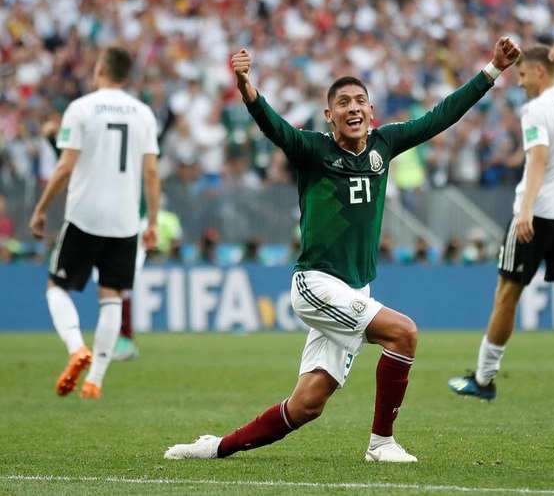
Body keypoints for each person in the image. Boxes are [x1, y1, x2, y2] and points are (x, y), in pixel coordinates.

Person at [164, 37, 521, 462]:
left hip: (355, 290)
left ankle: (215, 448)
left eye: (360, 101)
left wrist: (493, 69)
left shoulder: (384, 146)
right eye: (344, 103)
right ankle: (381, 444)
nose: (353, 108)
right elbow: (272, 125)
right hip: (316, 284)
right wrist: (245, 86)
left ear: (371, 112)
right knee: (404, 333)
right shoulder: (314, 150)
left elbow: (441, 116)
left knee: (307, 405)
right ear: (329, 115)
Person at [448, 38, 554, 408]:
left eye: (524, 73)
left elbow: (538, 161)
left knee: (506, 294)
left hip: (538, 215)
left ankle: (483, 379)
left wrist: (526, 210)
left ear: (541, 72)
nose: (519, 81)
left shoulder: (535, 110)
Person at [29, 46, 160, 399]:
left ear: (100, 68)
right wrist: (153, 223)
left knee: (57, 287)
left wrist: (41, 208)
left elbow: (65, 166)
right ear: (127, 75)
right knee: (112, 297)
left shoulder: (81, 108)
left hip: (85, 215)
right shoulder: (143, 114)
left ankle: (76, 348)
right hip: (125, 220)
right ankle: (95, 380)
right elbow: (151, 172)